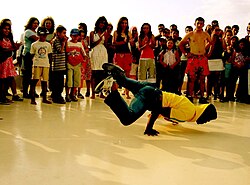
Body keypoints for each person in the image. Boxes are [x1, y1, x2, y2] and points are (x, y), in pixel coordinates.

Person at [96, 63, 217, 136]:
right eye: (208, 118)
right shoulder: (189, 114)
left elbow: (169, 106)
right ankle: (112, 90)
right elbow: (158, 108)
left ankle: (117, 73)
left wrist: (172, 119)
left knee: (125, 81)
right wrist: (149, 128)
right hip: (150, 97)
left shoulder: (190, 107)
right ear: (204, 113)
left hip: (151, 89)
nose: (207, 121)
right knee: (127, 118)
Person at [179, 17, 213, 104]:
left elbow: (211, 43)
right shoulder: (190, 34)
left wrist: (208, 53)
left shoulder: (205, 34)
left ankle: (202, 96)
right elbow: (181, 44)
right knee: (191, 78)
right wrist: (186, 54)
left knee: (202, 78)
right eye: (198, 23)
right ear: (195, 24)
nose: (199, 25)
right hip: (193, 57)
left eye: (201, 24)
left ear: (203, 24)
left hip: (202, 58)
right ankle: (190, 95)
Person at [0, 22, 23, 104]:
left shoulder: (9, 38)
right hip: (2, 61)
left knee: (9, 79)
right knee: (2, 80)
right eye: (5, 29)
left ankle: (8, 96)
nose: (7, 30)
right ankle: (1, 98)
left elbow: (12, 49)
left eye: (8, 29)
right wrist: (11, 49)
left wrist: (16, 47)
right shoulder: (0, 38)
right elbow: (2, 50)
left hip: (9, 61)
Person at [29, 27, 52, 105]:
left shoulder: (48, 44)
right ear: (38, 35)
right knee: (34, 81)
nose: (44, 37)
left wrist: (49, 64)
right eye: (42, 35)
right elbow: (31, 54)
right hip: (37, 64)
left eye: (45, 35)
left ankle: (44, 98)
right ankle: (32, 98)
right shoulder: (34, 44)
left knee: (45, 81)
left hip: (45, 64)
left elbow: (49, 55)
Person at [89, 16, 108, 99]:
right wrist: (99, 40)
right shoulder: (93, 33)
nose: (102, 24)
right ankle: (93, 92)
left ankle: (101, 92)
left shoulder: (106, 33)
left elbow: (106, 43)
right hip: (95, 51)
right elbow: (91, 44)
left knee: (102, 73)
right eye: (101, 22)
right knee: (94, 73)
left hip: (103, 52)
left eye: (103, 23)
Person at [65, 28, 86, 102]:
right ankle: (67, 94)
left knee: (76, 80)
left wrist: (83, 60)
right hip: (69, 64)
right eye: (74, 36)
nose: (75, 37)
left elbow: (84, 54)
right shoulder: (68, 43)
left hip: (77, 64)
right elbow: (66, 52)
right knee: (69, 81)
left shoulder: (79, 44)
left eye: (77, 36)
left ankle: (72, 94)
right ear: (71, 35)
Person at [22, 17, 39, 99]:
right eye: (34, 23)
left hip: (34, 55)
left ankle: (31, 91)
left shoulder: (35, 32)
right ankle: (25, 92)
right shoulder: (28, 32)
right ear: (30, 23)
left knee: (33, 74)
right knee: (27, 74)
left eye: (37, 23)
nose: (36, 25)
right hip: (28, 54)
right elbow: (37, 40)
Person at [50, 25, 68, 104]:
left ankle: (58, 95)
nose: (64, 35)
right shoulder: (56, 41)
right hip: (57, 66)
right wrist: (63, 42)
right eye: (63, 33)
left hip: (62, 65)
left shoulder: (61, 41)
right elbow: (60, 50)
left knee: (61, 82)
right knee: (57, 82)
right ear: (58, 33)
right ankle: (56, 96)